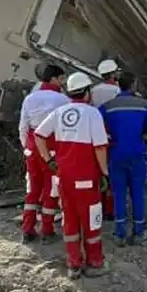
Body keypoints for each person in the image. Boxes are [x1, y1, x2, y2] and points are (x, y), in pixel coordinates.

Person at [34, 72, 110, 279]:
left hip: (64, 179)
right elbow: (100, 148)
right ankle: (94, 262)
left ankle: (73, 264)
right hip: (87, 180)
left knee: (70, 221)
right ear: (86, 93)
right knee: (91, 222)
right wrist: (105, 173)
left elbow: (39, 134)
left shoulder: (59, 113)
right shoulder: (92, 114)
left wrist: (49, 161)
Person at [99, 71, 147, 246]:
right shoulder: (143, 104)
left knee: (119, 194)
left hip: (116, 153)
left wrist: (108, 135)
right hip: (138, 153)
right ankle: (138, 232)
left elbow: (96, 121)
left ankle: (119, 234)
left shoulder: (108, 106)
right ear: (134, 84)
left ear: (117, 84)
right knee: (138, 194)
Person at [18, 64, 69, 243]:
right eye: (61, 79)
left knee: (32, 189)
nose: (62, 82)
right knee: (51, 190)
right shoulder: (63, 100)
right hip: (52, 149)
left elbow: (23, 127)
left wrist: (27, 148)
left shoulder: (30, 99)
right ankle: (47, 230)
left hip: (32, 149)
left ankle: (27, 228)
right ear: (54, 78)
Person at [90, 58, 122, 220]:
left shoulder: (94, 90)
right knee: (112, 173)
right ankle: (110, 209)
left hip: (97, 134)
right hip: (114, 134)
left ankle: (99, 205)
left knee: (98, 172)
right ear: (113, 74)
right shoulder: (116, 91)